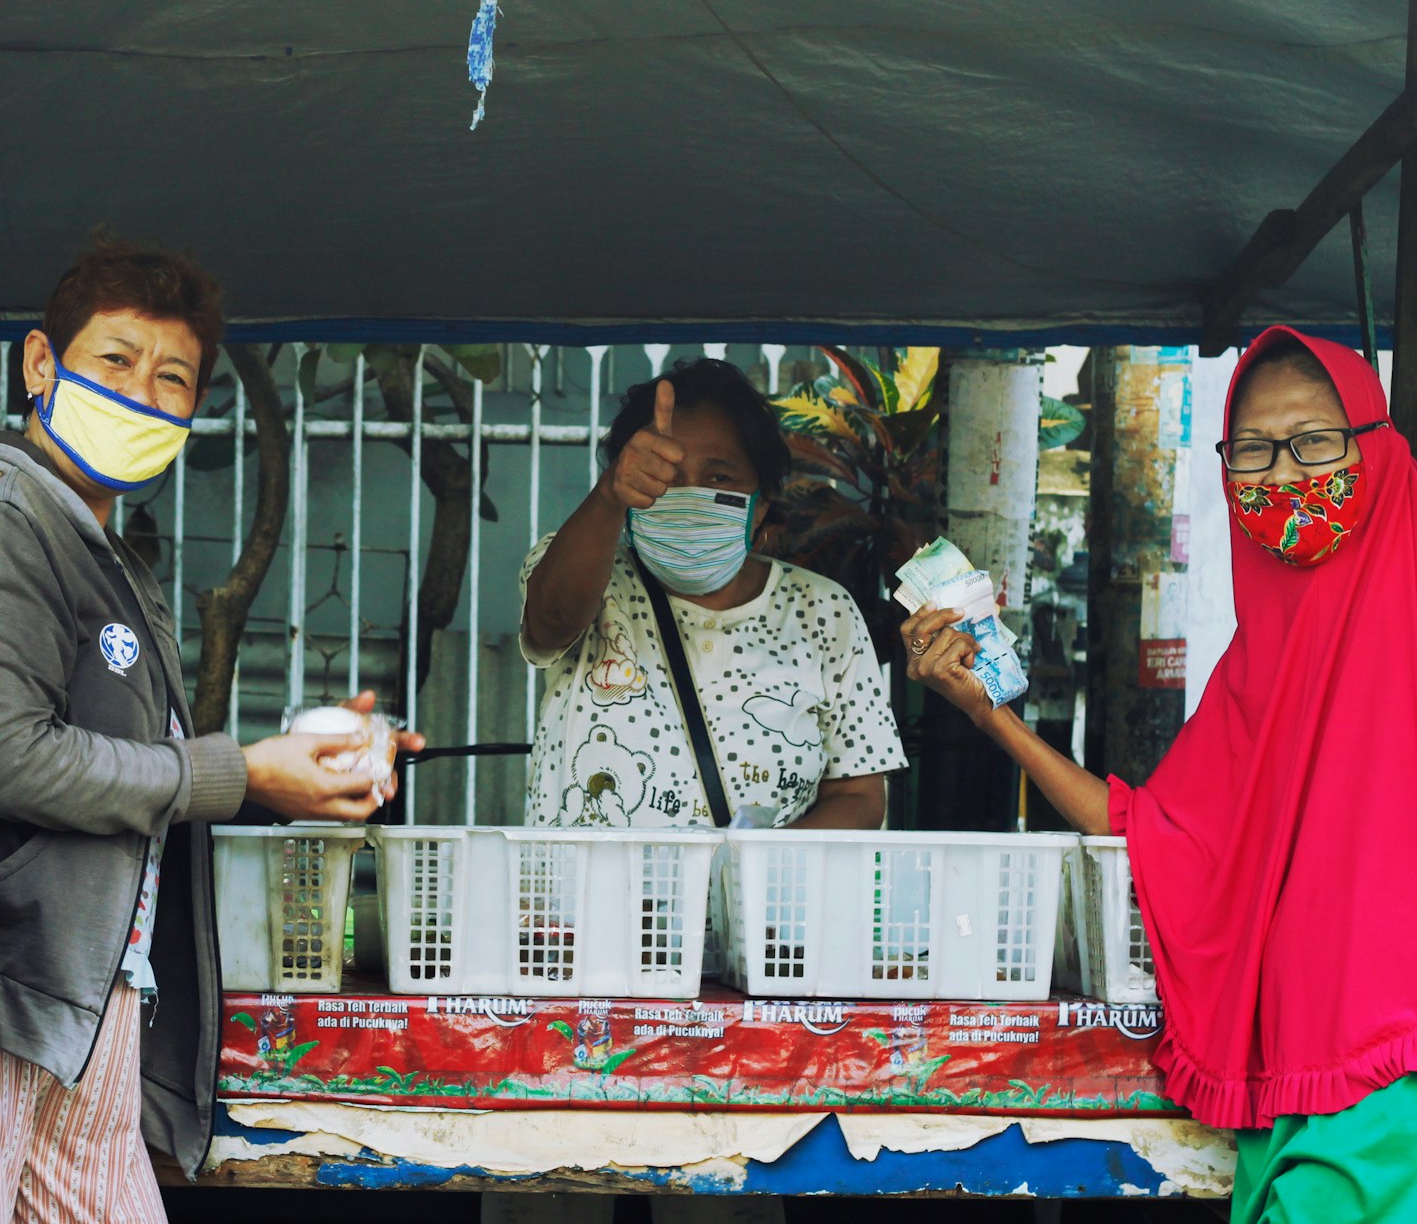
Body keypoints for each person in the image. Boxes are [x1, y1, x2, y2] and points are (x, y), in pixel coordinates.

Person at [0, 235, 419, 1224]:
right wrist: (244, 772)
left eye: (174, 377)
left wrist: (305, 766)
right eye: (114, 360)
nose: (142, 395)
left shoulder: (95, 543)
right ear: (43, 364)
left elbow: (139, 767)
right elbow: (9, 758)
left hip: (84, 987)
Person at [902, 327, 1417, 1222]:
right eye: (1252, 450)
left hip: (1389, 1084)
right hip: (1297, 1080)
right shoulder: (1260, 667)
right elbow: (1153, 832)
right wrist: (989, 714)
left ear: (1377, 447)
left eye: (1316, 442)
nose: (1284, 474)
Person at [519, 357, 905, 830]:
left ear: (761, 504)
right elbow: (550, 622)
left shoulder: (822, 609)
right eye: (663, 474)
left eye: (720, 478)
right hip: (583, 901)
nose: (690, 494)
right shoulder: (584, 569)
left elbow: (859, 793)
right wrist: (607, 497)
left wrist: (756, 877)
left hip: (755, 904)